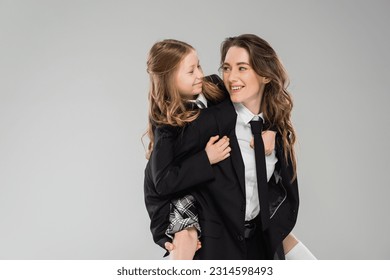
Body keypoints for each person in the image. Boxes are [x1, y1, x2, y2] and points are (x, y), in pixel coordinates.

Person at [144, 36, 316, 259]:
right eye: (226, 68)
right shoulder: (207, 119)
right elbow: (159, 178)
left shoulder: (273, 129)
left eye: (242, 68)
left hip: (258, 239)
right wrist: (172, 230)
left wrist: (271, 129)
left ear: (265, 75)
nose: (231, 77)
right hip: (211, 243)